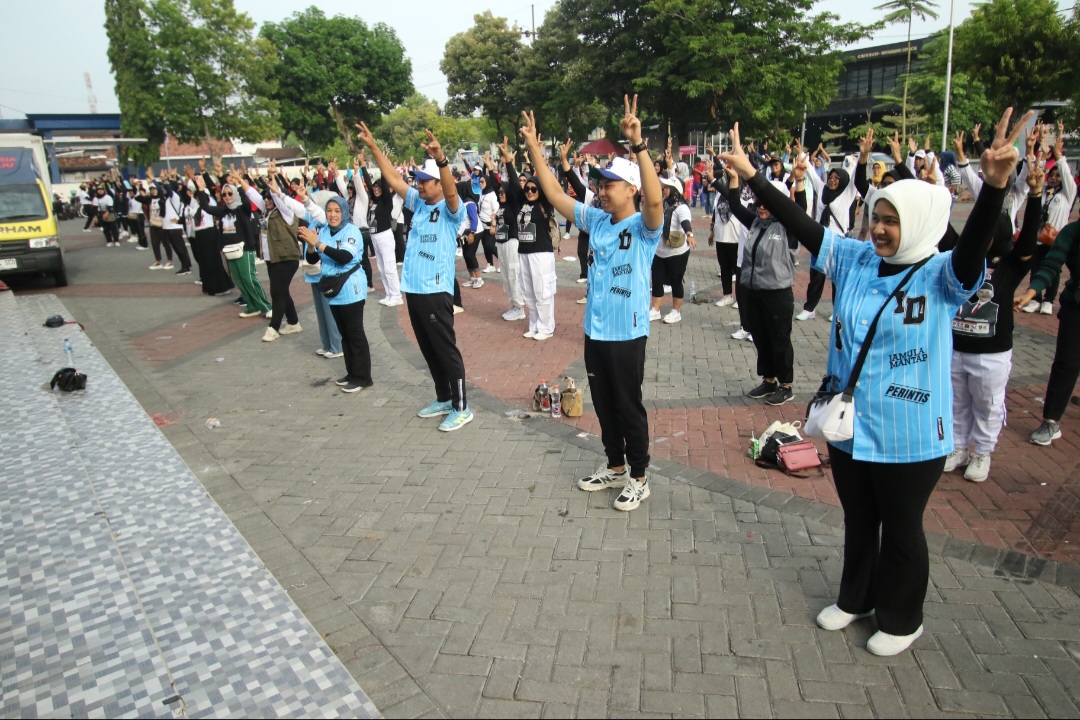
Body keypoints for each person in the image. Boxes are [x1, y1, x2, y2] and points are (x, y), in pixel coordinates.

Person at [722, 108, 1029, 656]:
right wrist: (752, 175)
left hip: (911, 430)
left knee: (902, 527)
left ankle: (902, 618)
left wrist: (995, 188)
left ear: (918, 223)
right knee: (860, 518)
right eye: (877, 217)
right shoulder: (856, 258)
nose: (881, 229)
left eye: (893, 220)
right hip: (851, 424)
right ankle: (855, 598)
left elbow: (974, 246)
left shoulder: (941, 274)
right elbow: (802, 223)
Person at [522, 95, 663, 512]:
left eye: (608, 184)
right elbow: (553, 192)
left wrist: (639, 145)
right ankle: (615, 467)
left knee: (628, 405)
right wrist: (534, 147)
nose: (601, 190)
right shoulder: (597, 219)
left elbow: (655, 203)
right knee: (602, 403)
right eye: (599, 184)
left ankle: (639, 476)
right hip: (595, 331)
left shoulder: (643, 227)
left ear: (630, 189)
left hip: (627, 332)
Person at [356, 122, 473, 432]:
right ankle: (444, 397)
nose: (419, 186)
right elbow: (393, 179)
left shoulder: (452, 210)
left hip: (436, 290)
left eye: (425, 182)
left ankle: (462, 407)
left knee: (445, 349)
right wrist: (374, 148)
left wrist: (443, 162)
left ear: (438, 183)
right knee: (427, 347)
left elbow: (450, 192)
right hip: (415, 289)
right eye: (418, 181)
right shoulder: (418, 204)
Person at [946, 152, 1043, 481]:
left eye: (989, 232)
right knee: (957, 400)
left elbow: (1029, 237)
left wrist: (1037, 196)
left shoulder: (1011, 266)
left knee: (987, 405)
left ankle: (982, 452)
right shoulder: (960, 259)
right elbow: (944, 230)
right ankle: (959, 447)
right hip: (957, 348)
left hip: (992, 353)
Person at [724, 166, 797, 406]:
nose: (762, 207)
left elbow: (800, 211)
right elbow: (735, 206)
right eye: (759, 203)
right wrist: (733, 178)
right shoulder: (755, 223)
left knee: (779, 339)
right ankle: (769, 381)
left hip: (777, 294)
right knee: (761, 338)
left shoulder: (788, 227)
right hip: (752, 291)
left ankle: (786, 386)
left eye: (767, 203)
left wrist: (800, 180)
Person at [1014, 198, 1080, 448]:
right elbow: (1051, 265)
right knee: (1067, 362)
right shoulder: (1072, 232)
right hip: (1076, 305)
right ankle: (1051, 420)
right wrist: (1032, 292)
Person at [298, 196, 372, 393]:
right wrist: (312, 245)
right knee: (343, 334)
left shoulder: (352, 231)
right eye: (329, 211)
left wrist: (319, 243)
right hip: (334, 289)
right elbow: (312, 258)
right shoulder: (324, 231)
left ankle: (363, 377)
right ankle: (352, 372)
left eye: (337, 211)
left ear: (344, 213)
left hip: (351, 289)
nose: (332, 215)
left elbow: (344, 256)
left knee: (354, 333)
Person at [197, 171, 273, 319]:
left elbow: (245, 201)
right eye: (224, 194)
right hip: (229, 250)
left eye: (229, 194)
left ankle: (266, 306)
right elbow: (206, 208)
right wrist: (200, 188)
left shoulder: (242, 209)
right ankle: (252, 306)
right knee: (238, 279)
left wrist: (238, 184)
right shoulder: (223, 210)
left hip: (244, 249)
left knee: (249, 278)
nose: (227, 197)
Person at [503, 145, 558, 341]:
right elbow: (515, 186)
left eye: (534, 189)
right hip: (524, 253)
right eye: (527, 189)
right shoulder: (522, 203)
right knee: (528, 292)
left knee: (543, 291)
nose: (530, 191)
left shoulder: (546, 203)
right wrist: (509, 162)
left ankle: (546, 327)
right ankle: (534, 325)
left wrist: (537, 155)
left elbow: (548, 181)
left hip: (541, 254)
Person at [1023, 122, 1075, 315]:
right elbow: (1037, 171)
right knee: (1036, 266)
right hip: (1039, 237)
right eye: (1050, 175)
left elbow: (1066, 174)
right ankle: (1034, 298)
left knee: (1053, 269)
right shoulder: (1044, 192)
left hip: (1055, 238)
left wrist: (1059, 155)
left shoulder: (1067, 195)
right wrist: (1041, 154)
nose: (1053, 178)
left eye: (1056, 176)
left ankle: (1048, 300)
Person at [650, 176, 697, 324]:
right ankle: (655, 310)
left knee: (676, 281)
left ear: (675, 190)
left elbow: (685, 222)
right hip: (660, 251)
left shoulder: (681, 207)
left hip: (677, 252)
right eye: (664, 187)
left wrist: (689, 234)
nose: (664, 189)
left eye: (667, 187)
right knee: (656, 280)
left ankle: (676, 311)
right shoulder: (662, 203)